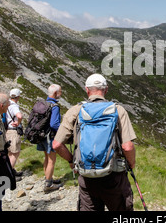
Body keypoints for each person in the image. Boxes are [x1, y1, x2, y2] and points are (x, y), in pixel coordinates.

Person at [53, 73, 137, 211]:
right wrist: (131, 164)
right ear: (106, 89)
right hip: (114, 176)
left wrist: (71, 161)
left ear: (87, 90)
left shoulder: (75, 111)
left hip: (87, 177)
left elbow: (56, 144)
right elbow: (127, 147)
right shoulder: (118, 110)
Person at [37, 84, 63, 193]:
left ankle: (49, 178)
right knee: (52, 160)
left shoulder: (43, 104)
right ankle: (48, 184)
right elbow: (54, 124)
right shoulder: (54, 106)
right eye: (60, 91)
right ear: (56, 93)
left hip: (41, 135)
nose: (61, 93)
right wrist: (62, 131)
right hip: (50, 137)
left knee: (46, 158)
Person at [5, 88, 24, 179]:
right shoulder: (14, 106)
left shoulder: (7, 104)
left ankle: (10, 170)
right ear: (18, 96)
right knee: (14, 153)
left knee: (9, 153)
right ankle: (9, 175)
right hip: (13, 131)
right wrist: (18, 122)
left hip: (7, 130)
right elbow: (19, 116)